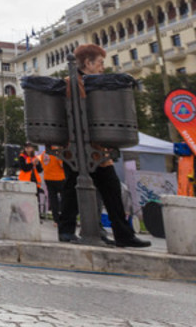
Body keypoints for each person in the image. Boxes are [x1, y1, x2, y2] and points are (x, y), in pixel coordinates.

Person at [56, 43, 151, 248]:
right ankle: (66, 231)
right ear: (88, 63)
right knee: (72, 188)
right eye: (100, 63)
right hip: (76, 147)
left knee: (111, 190)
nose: (102, 67)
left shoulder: (96, 85)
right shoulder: (72, 83)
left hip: (97, 148)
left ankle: (123, 234)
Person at [41, 146, 66, 222]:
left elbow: (43, 165)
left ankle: (56, 220)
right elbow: (62, 165)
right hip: (59, 178)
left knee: (53, 199)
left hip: (48, 178)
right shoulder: (56, 152)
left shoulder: (43, 153)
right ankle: (64, 217)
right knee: (65, 198)